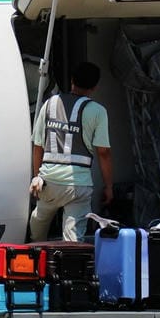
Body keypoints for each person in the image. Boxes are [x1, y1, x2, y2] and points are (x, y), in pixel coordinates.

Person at [28, 62, 113, 241]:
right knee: (73, 238)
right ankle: (70, 263)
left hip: (48, 182)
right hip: (78, 187)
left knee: (38, 224)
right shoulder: (98, 112)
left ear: (72, 80)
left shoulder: (49, 104)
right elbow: (103, 152)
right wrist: (109, 186)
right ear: (95, 86)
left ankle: (37, 251)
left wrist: (37, 175)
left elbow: (38, 146)